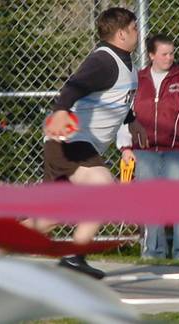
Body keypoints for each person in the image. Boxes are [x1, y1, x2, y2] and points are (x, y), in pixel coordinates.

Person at [42, 7, 148, 278]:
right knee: (104, 187)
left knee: (50, 218)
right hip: (70, 139)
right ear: (122, 33)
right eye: (135, 28)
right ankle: (75, 257)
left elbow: (114, 99)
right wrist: (62, 110)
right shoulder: (104, 60)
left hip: (73, 142)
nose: (138, 31)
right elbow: (73, 86)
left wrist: (132, 120)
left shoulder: (126, 65)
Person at [118, 34, 179, 260]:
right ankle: (153, 252)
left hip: (178, 150)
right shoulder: (136, 81)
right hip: (145, 152)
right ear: (151, 55)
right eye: (164, 54)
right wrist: (126, 147)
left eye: (172, 53)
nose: (170, 58)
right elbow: (122, 115)